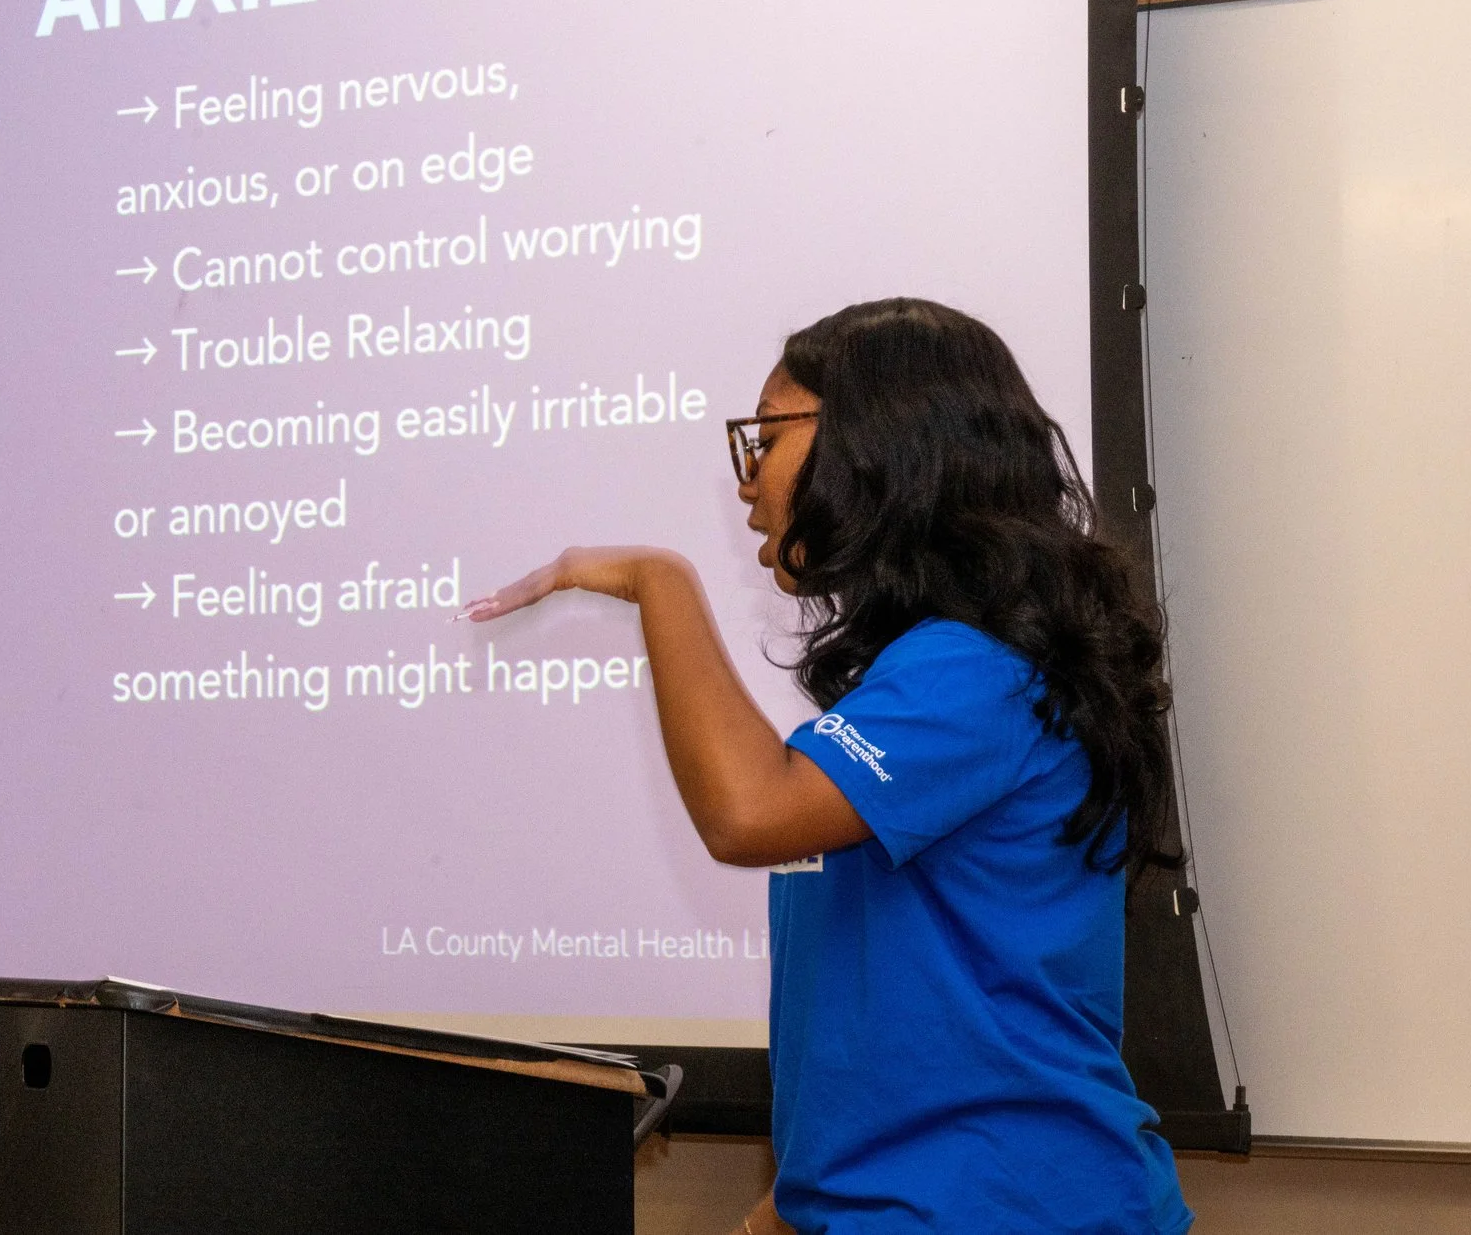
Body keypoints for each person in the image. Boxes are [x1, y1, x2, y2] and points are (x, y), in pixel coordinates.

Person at [465, 298, 1194, 1235]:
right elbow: (896, 986)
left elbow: (746, 812)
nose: (749, 481)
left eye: (766, 439)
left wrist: (663, 581)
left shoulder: (972, 670)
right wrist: (804, 1192)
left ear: (881, 444)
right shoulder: (937, 672)